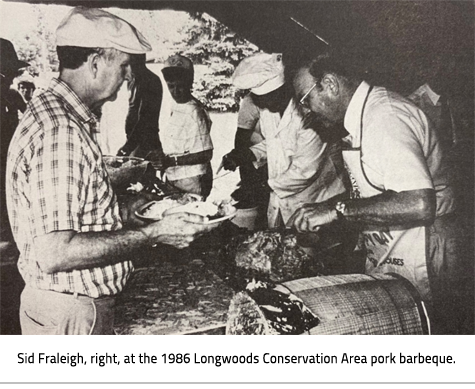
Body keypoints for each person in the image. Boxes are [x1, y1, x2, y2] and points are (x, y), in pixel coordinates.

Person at [5, 7, 218, 335]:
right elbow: (55, 252)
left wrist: (122, 211)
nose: (127, 79)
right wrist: (153, 233)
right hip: (75, 311)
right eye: (123, 67)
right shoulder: (62, 131)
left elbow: (69, 216)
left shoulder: (53, 111)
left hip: (65, 305)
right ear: (94, 63)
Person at [290, 51, 467, 334]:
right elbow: (374, 189)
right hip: (392, 247)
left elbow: (420, 203)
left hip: (426, 249)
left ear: (331, 85)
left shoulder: (385, 116)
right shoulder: (361, 115)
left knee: (431, 335)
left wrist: (336, 211)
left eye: (305, 100)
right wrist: (326, 208)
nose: (305, 113)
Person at [222, 53, 346, 228]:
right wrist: (247, 154)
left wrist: (260, 187)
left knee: (309, 252)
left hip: (317, 200)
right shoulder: (270, 111)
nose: (262, 106)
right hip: (283, 200)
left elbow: (305, 170)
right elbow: (275, 143)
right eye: (258, 100)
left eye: (265, 99)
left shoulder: (309, 112)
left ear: (281, 91)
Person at [151, 54, 213, 199]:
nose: (176, 91)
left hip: (192, 181)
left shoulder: (194, 111)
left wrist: (171, 161)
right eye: (171, 86)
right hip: (175, 178)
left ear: (190, 83)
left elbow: (206, 154)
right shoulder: (177, 105)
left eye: (181, 86)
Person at [116, 54, 163, 158]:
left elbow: (145, 120)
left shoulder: (151, 81)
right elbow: (133, 111)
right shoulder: (133, 81)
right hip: (134, 143)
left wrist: (126, 148)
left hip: (146, 145)